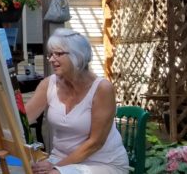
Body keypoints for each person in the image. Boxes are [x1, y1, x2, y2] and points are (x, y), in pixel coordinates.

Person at [24, 29, 128, 174]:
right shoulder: (49, 84)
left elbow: (95, 143)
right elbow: (21, 120)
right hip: (60, 159)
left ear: (78, 56)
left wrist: (57, 167)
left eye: (58, 54)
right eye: (50, 54)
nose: (52, 59)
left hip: (101, 163)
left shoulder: (102, 88)